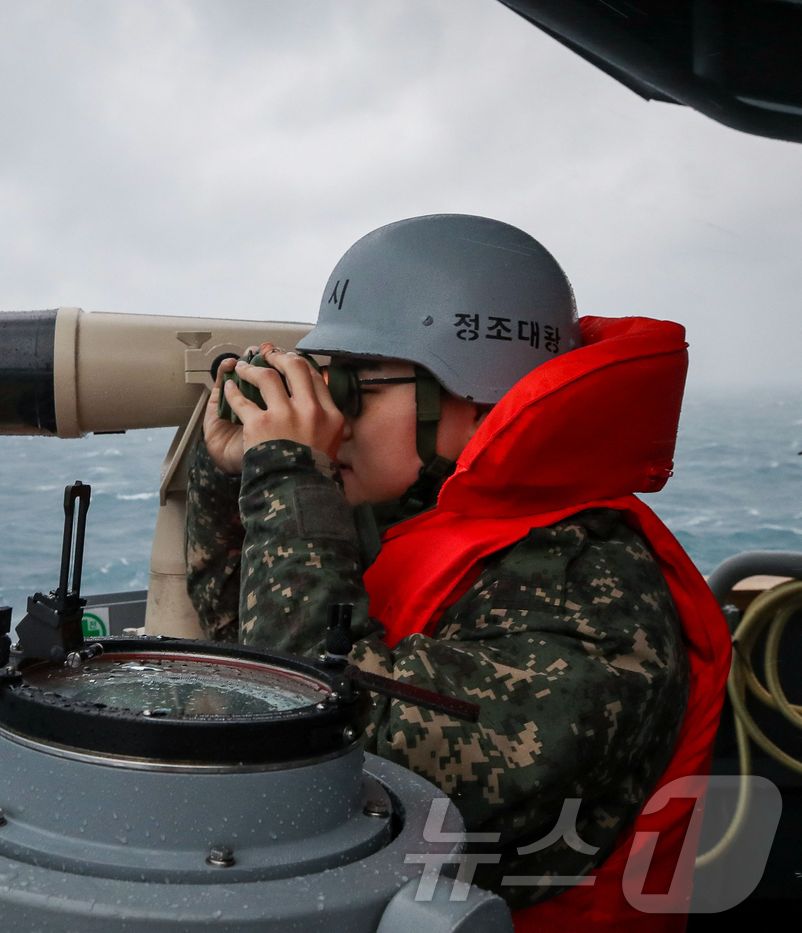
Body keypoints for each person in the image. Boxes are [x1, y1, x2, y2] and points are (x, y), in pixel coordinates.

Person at [185, 214, 730, 929]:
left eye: (351, 387)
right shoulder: (438, 518)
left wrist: (290, 473)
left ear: (474, 395)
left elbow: (320, 752)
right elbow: (249, 656)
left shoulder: (589, 597)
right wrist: (240, 474)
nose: (330, 418)